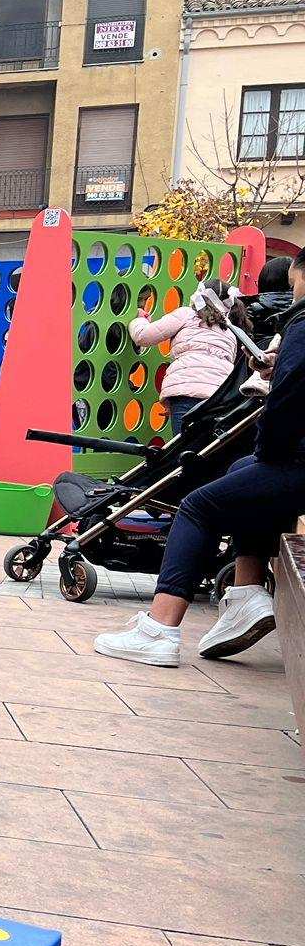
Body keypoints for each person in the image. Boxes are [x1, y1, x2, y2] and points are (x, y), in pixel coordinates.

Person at [95, 252, 305, 667]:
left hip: (296, 460)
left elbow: (288, 401)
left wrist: (267, 451)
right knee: (243, 475)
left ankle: (160, 629)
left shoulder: (301, 323)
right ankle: (246, 594)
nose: (293, 291)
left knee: (197, 505)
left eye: (295, 282)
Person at [132, 281, 240, 436]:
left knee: (184, 447)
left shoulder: (187, 315)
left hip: (186, 396)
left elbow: (143, 336)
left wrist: (139, 319)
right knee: (207, 448)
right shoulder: (229, 332)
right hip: (220, 398)